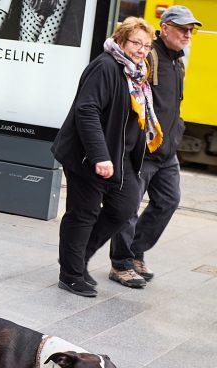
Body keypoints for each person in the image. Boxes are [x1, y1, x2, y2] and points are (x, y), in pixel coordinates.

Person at [51, 17, 161, 297]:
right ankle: (70, 274)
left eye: (147, 45)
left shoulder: (136, 72)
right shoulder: (106, 66)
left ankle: (79, 258)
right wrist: (99, 156)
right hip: (88, 155)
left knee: (124, 207)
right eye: (136, 43)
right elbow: (86, 111)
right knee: (83, 213)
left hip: (120, 155)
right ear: (121, 40)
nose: (142, 50)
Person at [109, 6, 202, 288]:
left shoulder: (178, 61)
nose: (188, 34)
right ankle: (121, 264)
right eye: (182, 29)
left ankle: (135, 251)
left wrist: (177, 131)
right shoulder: (149, 56)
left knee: (168, 200)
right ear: (165, 28)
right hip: (143, 149)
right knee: (129, 207)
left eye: (191, 30)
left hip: (167, 150)